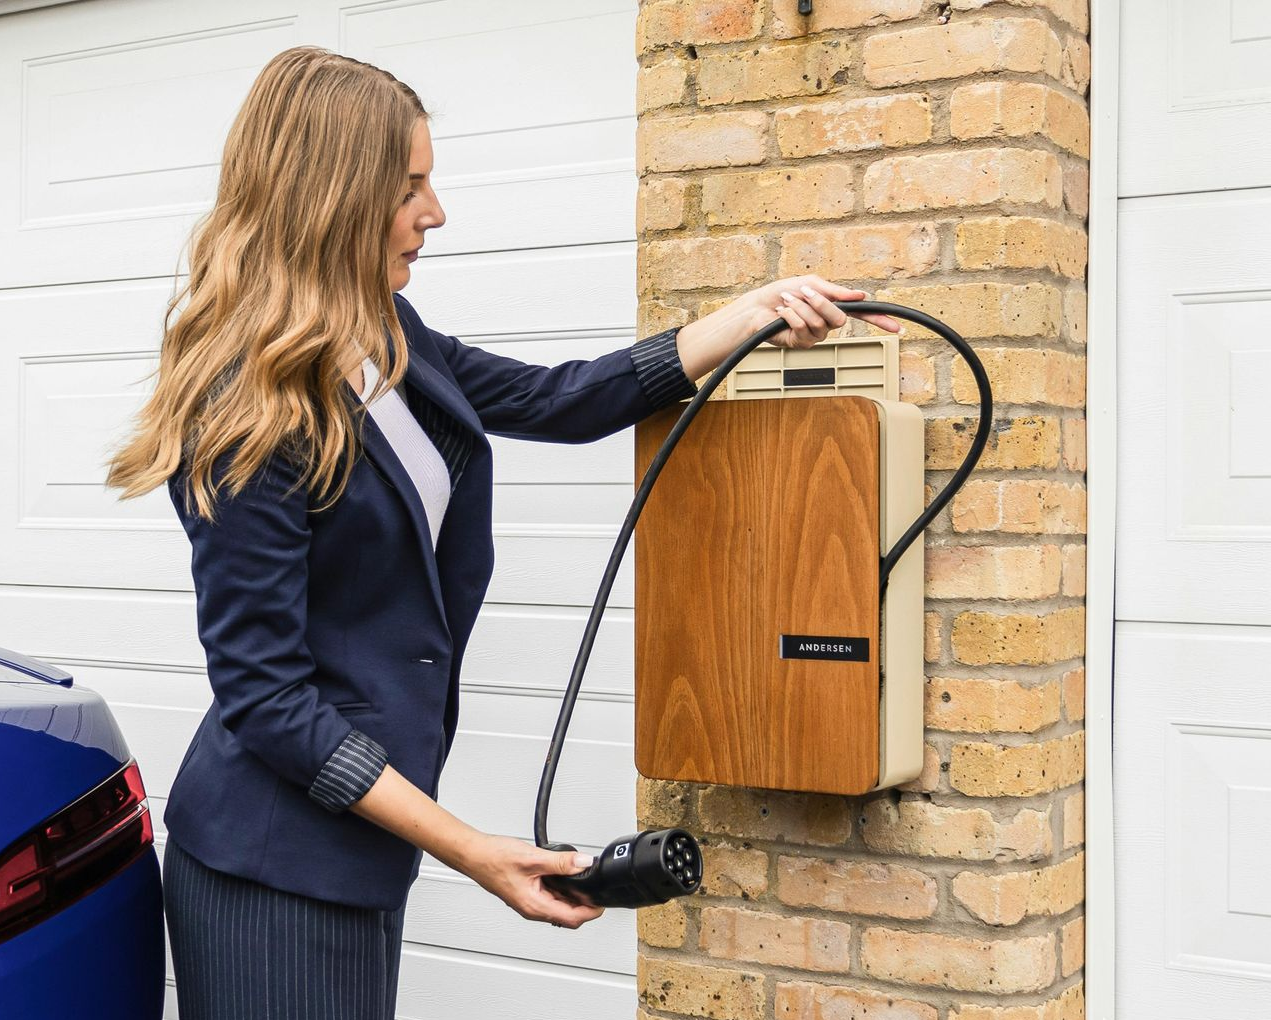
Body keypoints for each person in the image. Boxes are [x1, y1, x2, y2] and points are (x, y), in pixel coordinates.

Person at [103, 45, 901, 1020]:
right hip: (271, 866)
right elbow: (268, 699)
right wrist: (468, 847)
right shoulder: (247, 408)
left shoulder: (382, 334)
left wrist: (748, 316)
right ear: (332, 193)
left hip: (349, 851)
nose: (433, 212)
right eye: (409, 187)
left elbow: (556, 399)